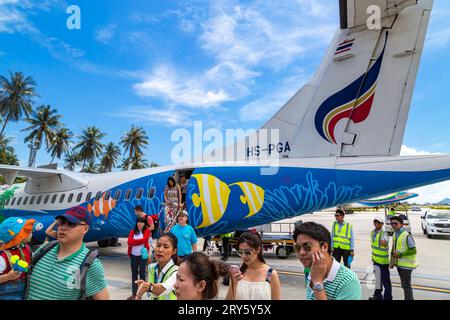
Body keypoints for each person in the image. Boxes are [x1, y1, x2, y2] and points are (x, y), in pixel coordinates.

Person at [27, 206, 109, 300]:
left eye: (71, 224)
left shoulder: (91, 265)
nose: (63, 228)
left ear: (85, 229)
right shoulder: (45, 248)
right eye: (61, 223)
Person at [293, 221, 361, 300]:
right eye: (297, 248)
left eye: (307, 246)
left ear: (324, 247)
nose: (301, 253)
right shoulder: (313, 270)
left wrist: (318, 283)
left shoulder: (349, 281)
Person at [225, 232, 281, 300]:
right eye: (240, 252)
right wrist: (234, 283)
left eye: (247, 252)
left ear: (258, 250)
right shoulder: (237, 273)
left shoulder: (270, 274)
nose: (243, 256)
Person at [135, 232, 179, 300]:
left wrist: (149, 287)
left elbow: (163, 289)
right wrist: (139, 295)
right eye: (158, 245)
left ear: (174, 251)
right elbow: (150, 296)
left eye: (166, 247)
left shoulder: (177, 272)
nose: (160, 250)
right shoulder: (151, 268)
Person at [0, 217, 35, 300]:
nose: (31, 233)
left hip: (25, 288)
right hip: (7, 293)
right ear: (18, 237)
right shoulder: (4, 256)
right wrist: (8, 277)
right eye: (27, 232)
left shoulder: (27, 248)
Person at [390, 215, 417, 300]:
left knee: (406, 286)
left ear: (401, 224)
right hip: (400, 265)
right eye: (392, 224)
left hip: (407, 266)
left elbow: (414, 250)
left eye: (395, 223)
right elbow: (393, 249)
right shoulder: (395, 234)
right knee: (404, 285)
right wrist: (392, 261)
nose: (393, 225)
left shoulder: (407, 235)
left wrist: (400, 255)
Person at [127, 216, 151, 300]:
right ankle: (134, 293)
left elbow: (144, 240)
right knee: (134, 275)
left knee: (142, 275)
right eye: (138, 222)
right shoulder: (132, 231)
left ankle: (140, 294)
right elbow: (129, 242)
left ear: (144, 224)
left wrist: (134, 242)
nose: (140, 223)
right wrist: (136, 242)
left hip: (142, 256)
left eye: (142, 222)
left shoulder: (147, 231)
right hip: (133, 255)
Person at [369, 217, 392, 300]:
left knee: (386, 282)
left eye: (378, 222)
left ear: (382, 224)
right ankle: (377, 295)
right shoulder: (372, 232)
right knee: (378, 280)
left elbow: (385, 243)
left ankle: (388, 298)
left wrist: (384, 242)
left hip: (382, 262)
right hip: (375, 260)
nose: (376, 224)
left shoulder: (384, 233)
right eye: (375, 222)